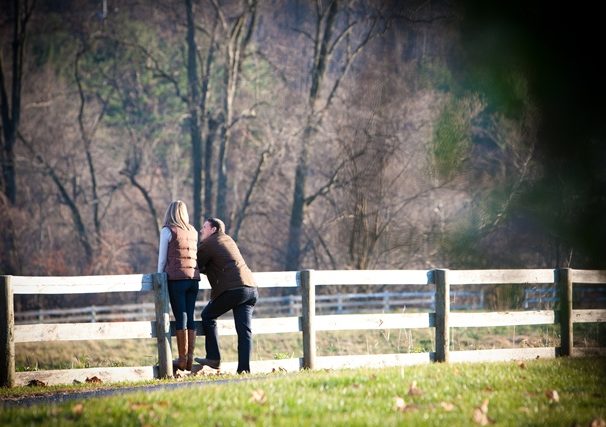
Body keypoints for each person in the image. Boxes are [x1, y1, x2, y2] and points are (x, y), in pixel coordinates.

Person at [195, 217, 258, 374]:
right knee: (244, 331)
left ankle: (213, 358)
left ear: (214, 229)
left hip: (234, 289)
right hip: (250, 288)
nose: (201, 230)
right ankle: (244, 370)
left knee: (208, 316)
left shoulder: (209, 243)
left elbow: (195, 263)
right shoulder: (228, 240)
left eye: (204, 227)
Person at [157, 200, 200, 371]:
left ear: (170, 213)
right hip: (193, 280)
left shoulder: (167, 231)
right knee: (190, 316)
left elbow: (162, 258)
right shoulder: (193, 231)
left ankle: (182, 360)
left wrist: (158, 278)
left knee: (180, 317)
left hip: (176, 279)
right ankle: (189, 361)